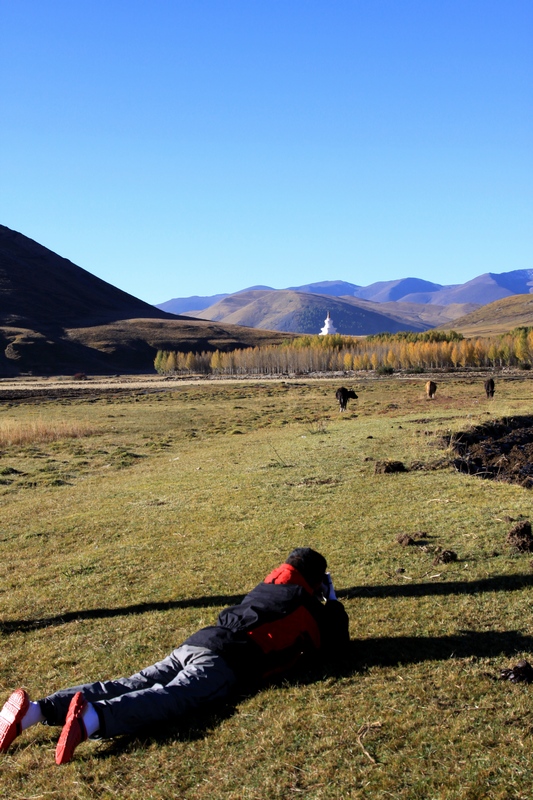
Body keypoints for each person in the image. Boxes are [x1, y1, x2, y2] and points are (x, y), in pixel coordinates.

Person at [0, 547, 349, 764]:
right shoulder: (307, 608)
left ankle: (34, 712)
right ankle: (92, 720)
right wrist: (330, 600)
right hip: (228, 661)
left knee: (131, 681)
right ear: (316, 581)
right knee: (172, 697)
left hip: (197, 642)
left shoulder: (267, 587)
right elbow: (336, 644)